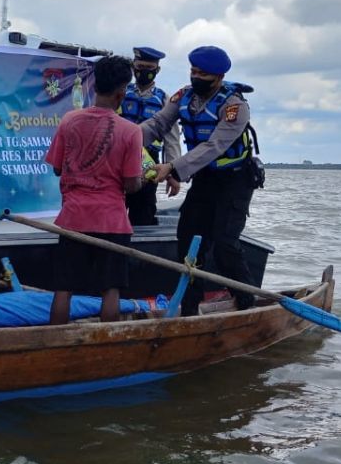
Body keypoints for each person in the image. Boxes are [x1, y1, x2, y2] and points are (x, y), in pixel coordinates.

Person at [139, 46, 259, 314]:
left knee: (225, 244)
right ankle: (191, 307)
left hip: (235, 180)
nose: (195, 77)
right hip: (205, 179)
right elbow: (158, 124)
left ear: (219, 76)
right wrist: (127, 137)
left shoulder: (234, 106)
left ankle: (248, 302)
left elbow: (213, 147)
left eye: (202, 74)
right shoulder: (183, 97)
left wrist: (171, 167)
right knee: (188, 241)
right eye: (193, 71)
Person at [44, 55, 144, 324]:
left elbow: (56, 168)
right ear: (122, 92)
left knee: (63, 288)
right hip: (112, 220)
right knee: (110, 289)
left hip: (73, 216)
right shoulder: (131, 131)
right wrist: (144, 178)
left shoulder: (69, 121)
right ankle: (107, 348)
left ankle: (55, 345)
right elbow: (131, 184)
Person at [118, 46, 183, 226]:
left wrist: (173, 174)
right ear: (133, 66)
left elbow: (172, 140)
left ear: (157, 70)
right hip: (118, 159)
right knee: (114, 209)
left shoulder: (165, 100)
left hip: (148, 163)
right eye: (140, 67)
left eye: (149, 68)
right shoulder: (120, 93)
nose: (144, 72)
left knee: (143, 213)